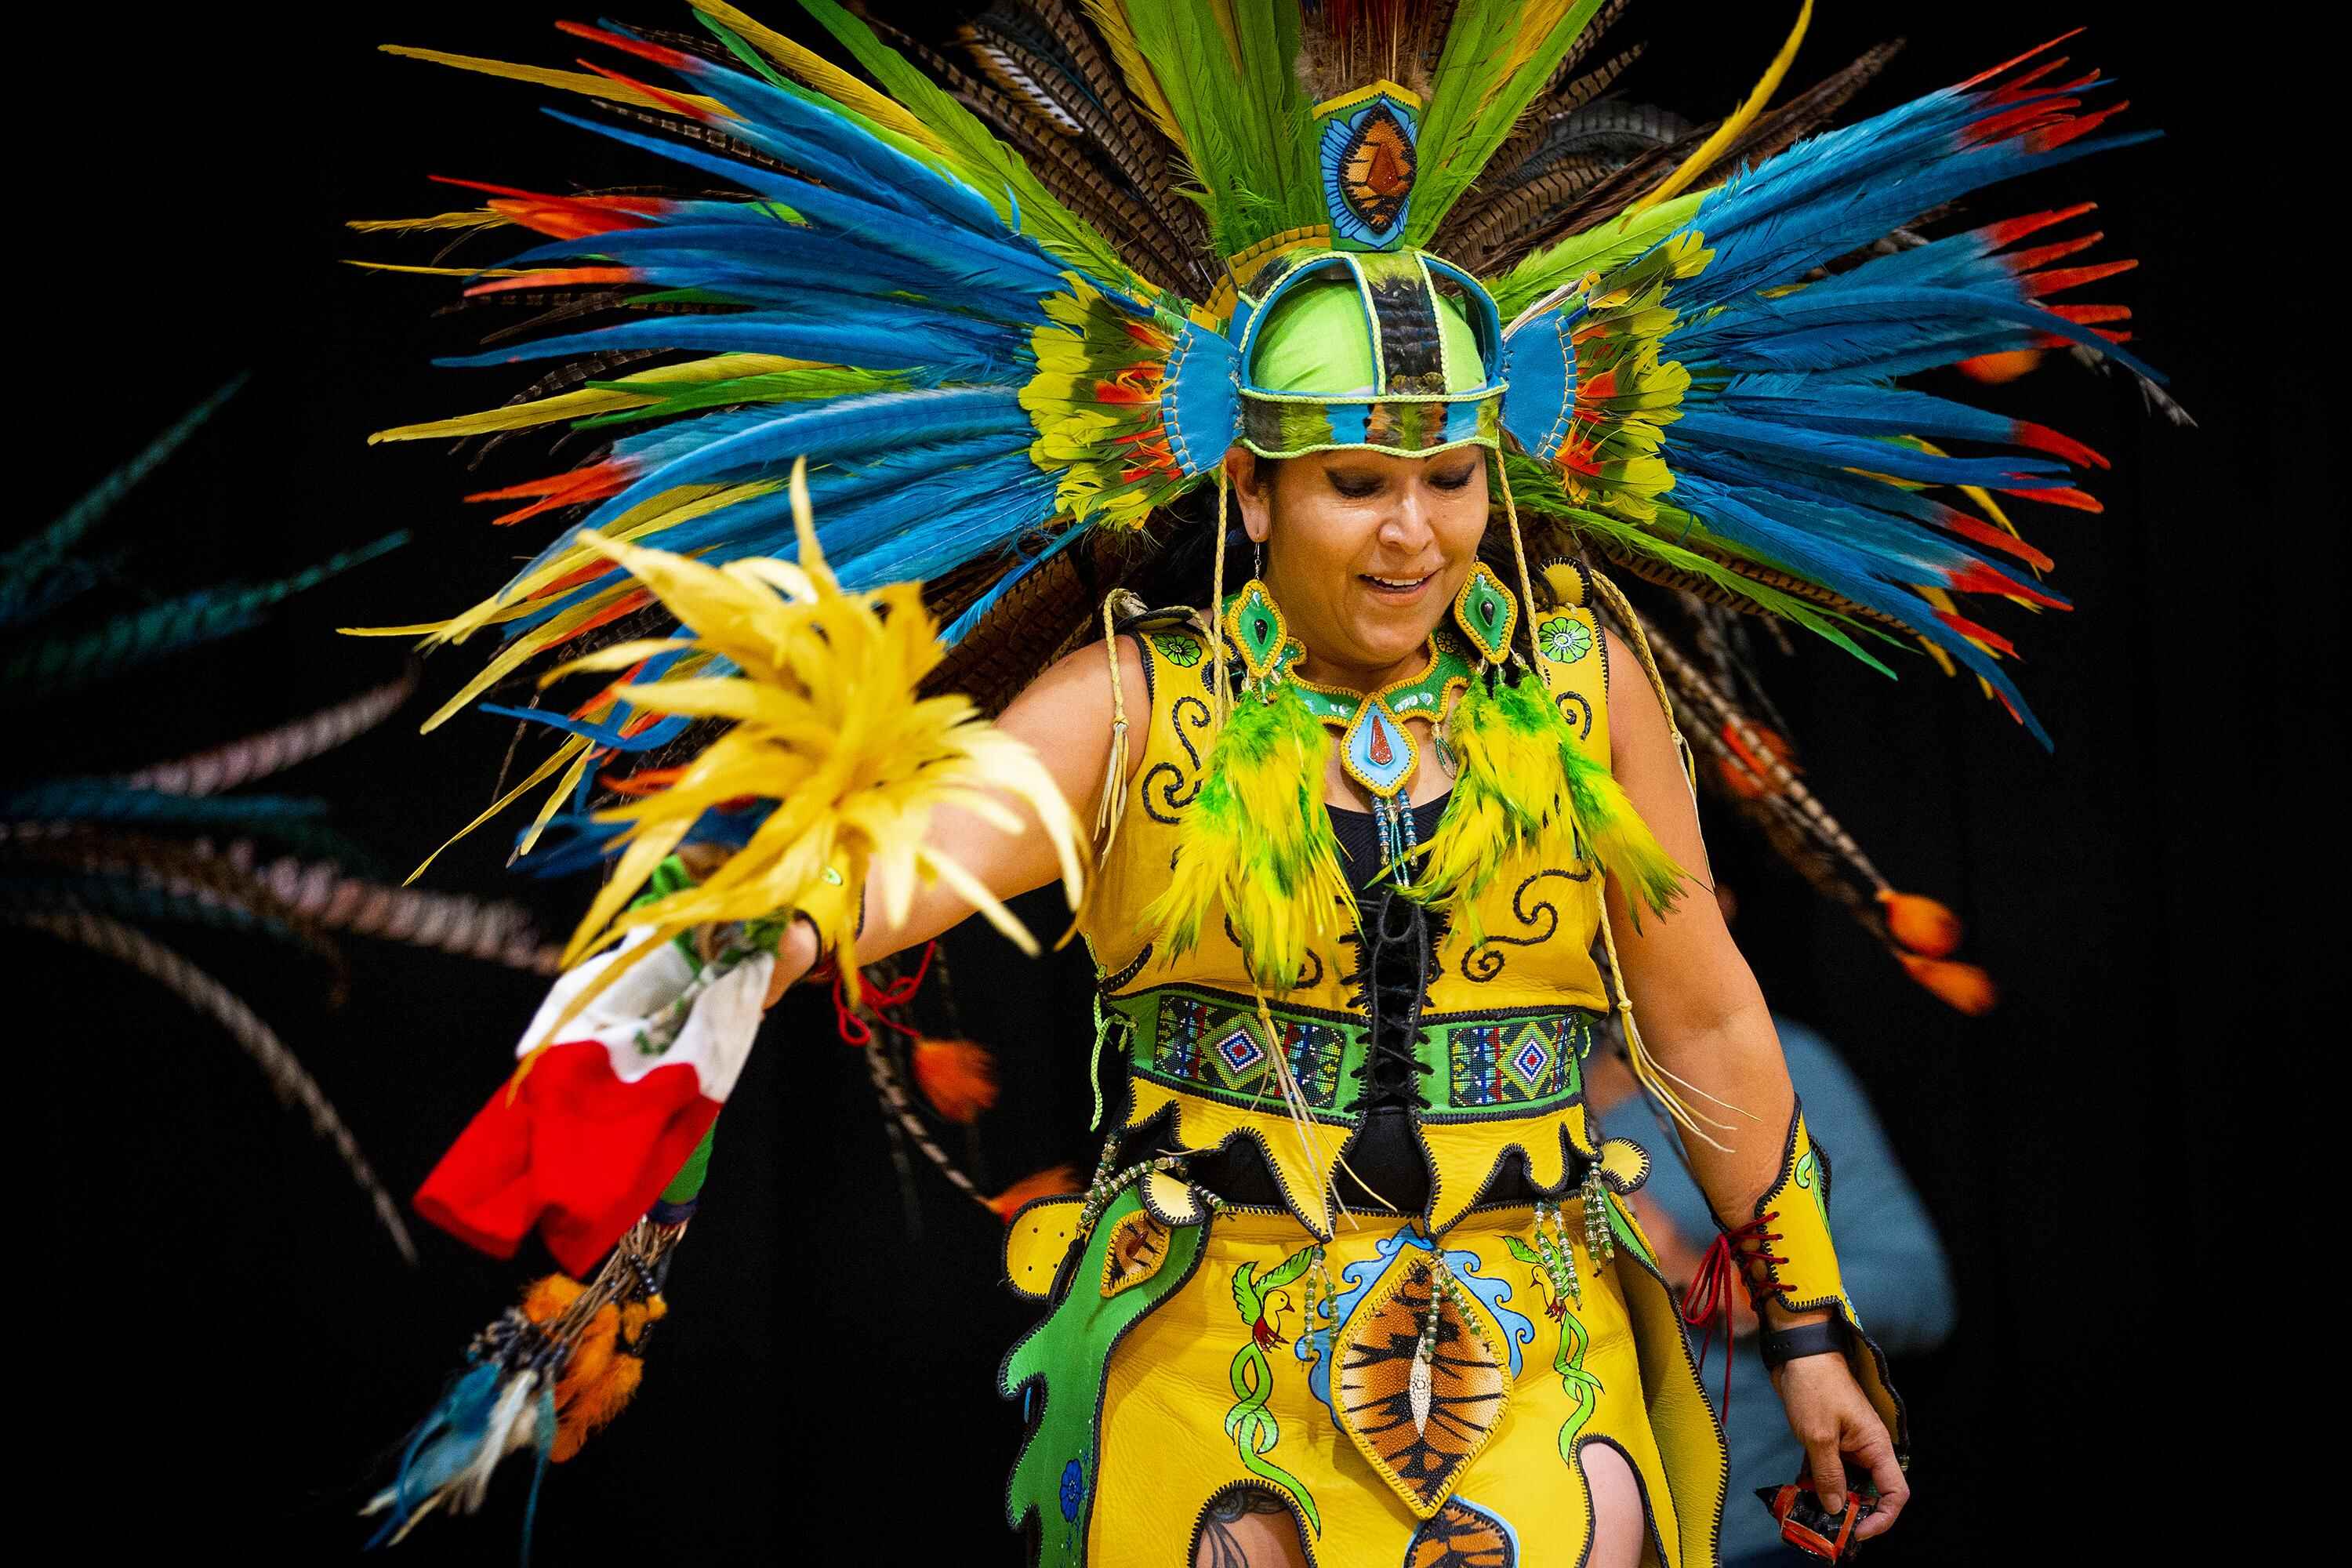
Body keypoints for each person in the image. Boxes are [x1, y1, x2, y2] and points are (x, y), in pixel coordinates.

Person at [347, 4, 2161, 1563]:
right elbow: (906, 871)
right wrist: (770, 913)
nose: (1410, 531)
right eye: (1354, 481)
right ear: (1251, 494)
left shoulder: (1583, 675)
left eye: (1448, 480)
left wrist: (1808, 1332)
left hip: (1545, 1358)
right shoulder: (1128, 700)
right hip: (1210, 1361)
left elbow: (1706, 1017)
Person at [1587, 1018, 1956, 1564]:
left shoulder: (1771, 1065)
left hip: (1736, 1532)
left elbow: (1919, 1288)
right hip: (1534, 1514)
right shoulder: (1486, 1059)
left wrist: (1715, 1283)